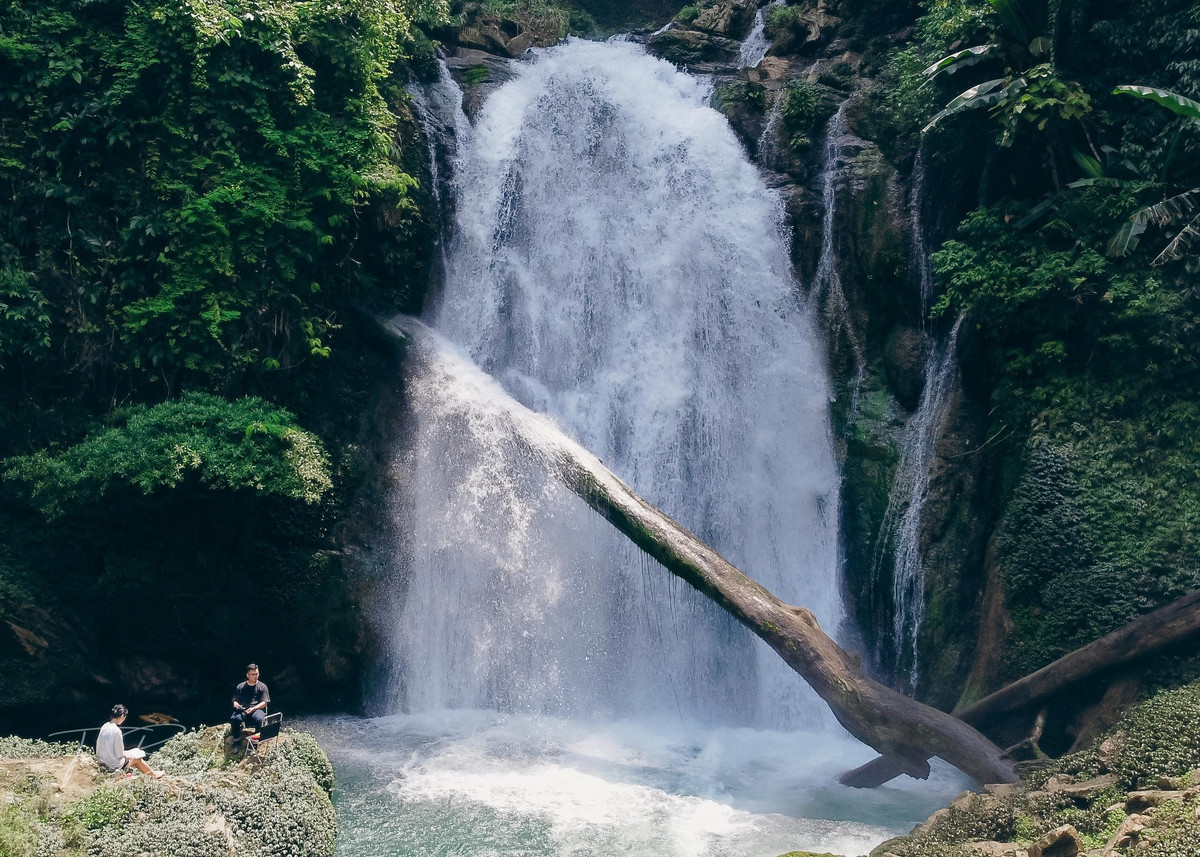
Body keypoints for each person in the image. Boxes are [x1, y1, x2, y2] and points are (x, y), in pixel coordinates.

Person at [96, 704, 164, 778]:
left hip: (102, 761)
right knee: (137, 757)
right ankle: (153, 775)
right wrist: (129, 755)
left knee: (135, 750)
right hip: (112, 765)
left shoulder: (105, 726)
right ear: (122, 716)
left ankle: (152, 773)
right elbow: (119, 754)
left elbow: (99, 746)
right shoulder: (117, 731)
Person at [230, 663, 270, 741]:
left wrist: (254, 708)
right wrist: (237, 705)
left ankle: (256, 740)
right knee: (234, 718)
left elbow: (265, 702)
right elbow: (235, 700)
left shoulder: (262, 687)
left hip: (257, 709)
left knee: (259, 719)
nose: (255, 676)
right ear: (247, 675)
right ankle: (237, 740)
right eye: (253, 674)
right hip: (243, 709)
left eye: (256, 674)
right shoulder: (240, 686)